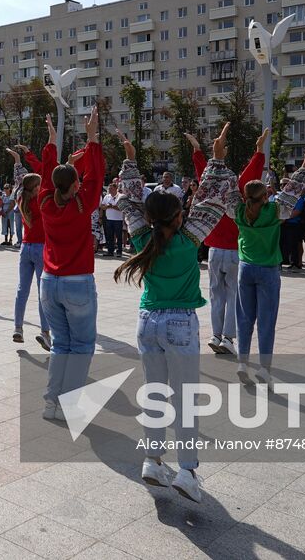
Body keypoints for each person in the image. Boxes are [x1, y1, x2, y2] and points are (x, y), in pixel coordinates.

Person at [114, 130, 210, 504]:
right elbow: (212, 198)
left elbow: (130, 200)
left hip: (147, 321)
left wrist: (129, 157)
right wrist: (211, 158)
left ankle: (152, 461)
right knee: (185, 398)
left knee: (154, 394)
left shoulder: (142, 238)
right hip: (180, 323)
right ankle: (186, 471)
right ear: (179, 216)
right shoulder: (189, 240)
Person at [195, 131, 305, 385]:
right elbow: (293, 190)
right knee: (267, 321)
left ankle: (242, 363)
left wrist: (218, 157)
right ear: (265, 196)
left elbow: (226, 186)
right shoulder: (275, 211)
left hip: (246, 268)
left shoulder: (238, 211)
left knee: (244, 318)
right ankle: (263, 369)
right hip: (268, 270)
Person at [39, 108, 103, 421]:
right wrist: (92, 140)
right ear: (76, 183)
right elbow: (97, 175)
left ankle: (51, 403)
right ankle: (68, 405)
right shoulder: (82, 203)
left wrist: (52, 142)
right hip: (77, 281)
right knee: (82, 346)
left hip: (49, 282)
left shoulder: (45, 202)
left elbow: (48, 174)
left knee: (60, 345)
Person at [188, 128, 266, 355]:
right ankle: (228, 339)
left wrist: (197, 151)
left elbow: (204, 174)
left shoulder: (212, 190)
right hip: (234, 250)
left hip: (214, 250)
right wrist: (259, 151)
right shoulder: (237, 188)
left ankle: (215, 334)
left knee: (216, 295)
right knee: (233, 296)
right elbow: (252, 176)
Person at [9, 149, 50, 349]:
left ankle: (18, 328)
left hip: (25, 248)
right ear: (36, 187)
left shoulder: (20, 198)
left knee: (22, 290)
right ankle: (45, 332)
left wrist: (18, 161)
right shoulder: (41, 200)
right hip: (42, 249)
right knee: (43, 292)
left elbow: (20, 181)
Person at [100, 182, 125, 257]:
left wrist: (112, 206)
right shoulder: (107, 196)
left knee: (119, 236)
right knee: (110, 236)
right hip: (109, 219)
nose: (109, 190)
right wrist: (107, 206)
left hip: (118, 220)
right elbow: (102, 207)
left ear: (116, 188)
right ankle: (110, 251)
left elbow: (121, 208)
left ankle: (119, 251)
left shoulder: (121, 196)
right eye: (109, 188)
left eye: (111, 188)